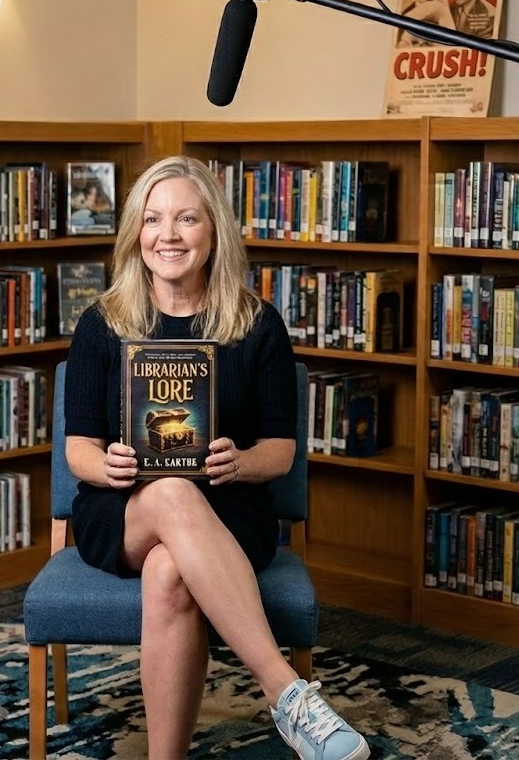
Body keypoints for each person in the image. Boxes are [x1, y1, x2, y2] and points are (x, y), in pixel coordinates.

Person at [63, 155, 370, 760]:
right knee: (173, 492)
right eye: (153, 220)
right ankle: (287, 693)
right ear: (135, 234)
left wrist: (237, 462)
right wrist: (110, 468)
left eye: (186, 219)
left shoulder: (258, 325)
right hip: (120, 511)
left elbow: (279, 454)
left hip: (230, 511)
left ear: (214, 232)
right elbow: (78, 449)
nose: (168, 236)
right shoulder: (102, 324)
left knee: (169, 573)